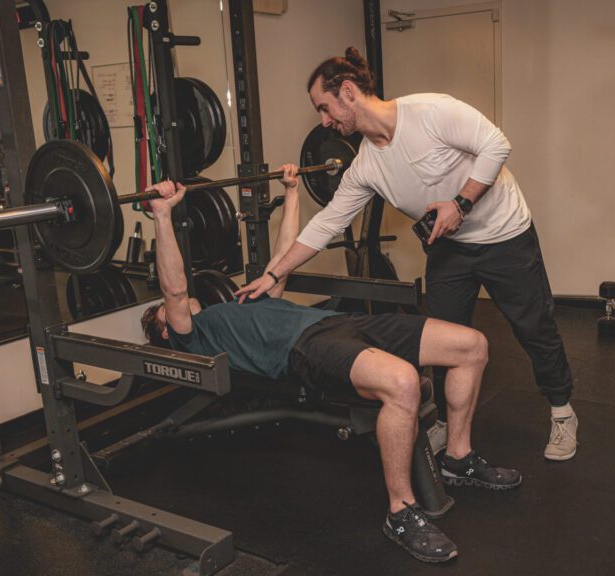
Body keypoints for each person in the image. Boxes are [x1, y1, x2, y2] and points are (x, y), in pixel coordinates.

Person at [141, 167, 521, 563]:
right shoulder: (194, 334)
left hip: (339, 323)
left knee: (471, 345)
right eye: (165, 312)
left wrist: (291, 192)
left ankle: (458, 458)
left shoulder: (241, 301)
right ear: (167, 332)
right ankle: (402, 513)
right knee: (403, 382)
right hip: (304, 347)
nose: (176, 308)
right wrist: (164, 215)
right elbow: (175, 287)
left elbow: (284, 253)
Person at [238, 48, 579, 461]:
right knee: (440, 338)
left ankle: (562, 411)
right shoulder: (365, 166)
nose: (324, 121)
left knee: (534, 328)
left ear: (348, 92)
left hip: (505, 235)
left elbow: (496, 145)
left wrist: (460, 204)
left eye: (324, 108)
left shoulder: (430, 112)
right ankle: (441, 426)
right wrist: (275, 274)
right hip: (449, 248)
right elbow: (327, 223)